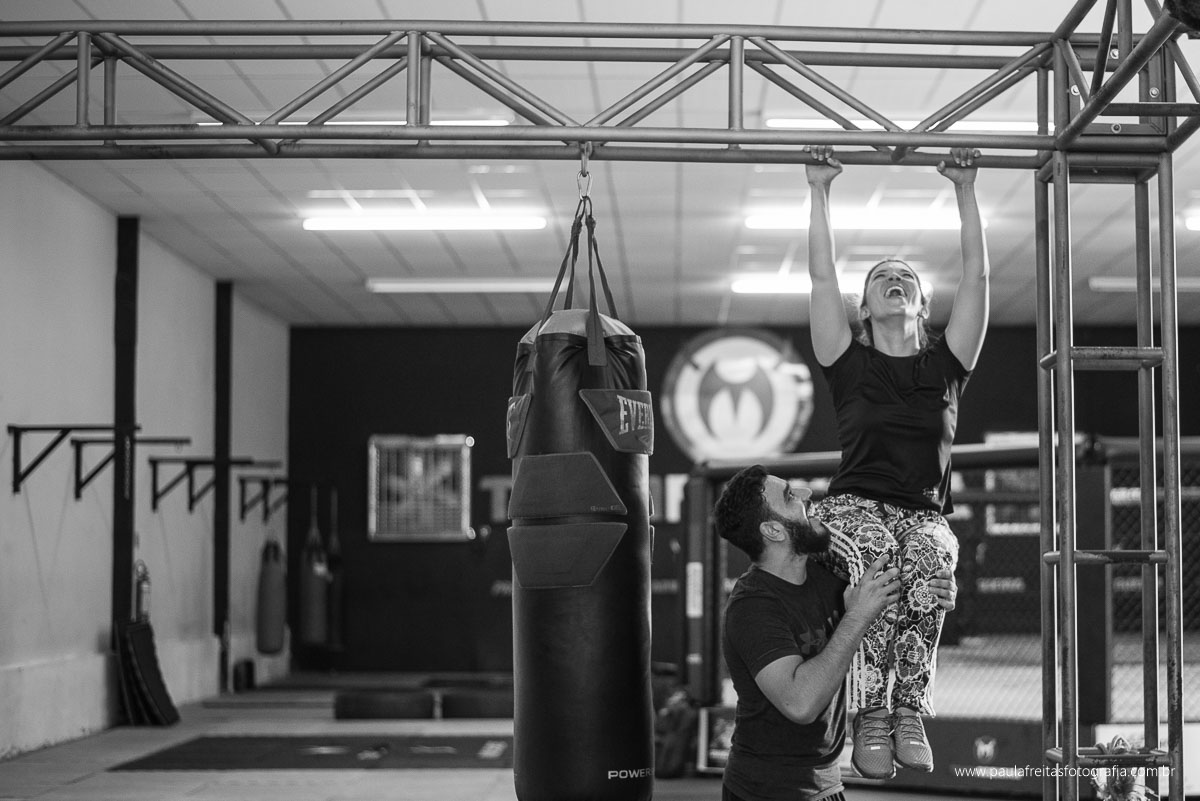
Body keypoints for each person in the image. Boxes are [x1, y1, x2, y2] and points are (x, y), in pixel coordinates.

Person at [803, 144, 990, 779]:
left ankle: (907, 706)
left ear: (921, 306)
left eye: (906, 277)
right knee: (882, 569)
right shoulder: (846, 362)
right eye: (881, 276)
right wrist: (819, 189)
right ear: (865, 307)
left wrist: (966, 191)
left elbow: (978, 281)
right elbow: (821, 279)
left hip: (924, 512)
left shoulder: (946, 365)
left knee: (932, 563)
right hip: (856, 504)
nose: (895, 279)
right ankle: (872, 711)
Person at [713, 464, 958, 801]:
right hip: (765, 790)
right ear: (773, 530)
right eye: (789, 497)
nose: (806, 494)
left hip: (826, 786)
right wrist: (857, 616)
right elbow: (801, 703)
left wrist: (932, 589)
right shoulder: (752, 605)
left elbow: (876, 646)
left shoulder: (832, 576)